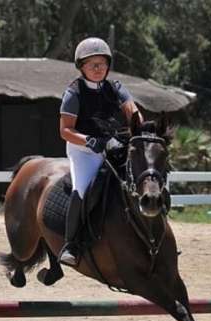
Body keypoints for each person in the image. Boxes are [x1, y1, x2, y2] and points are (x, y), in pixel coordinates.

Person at [58, 37, 143, 266]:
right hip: (83, 150)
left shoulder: (116, 88)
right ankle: (71, 245)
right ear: (81, 67)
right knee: (82, 190)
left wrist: (139, 126)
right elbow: (65, 131)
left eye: (102, 64)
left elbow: (133, 112)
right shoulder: (73, 93)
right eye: (92, 65)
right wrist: (91, 141)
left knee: (144, 177)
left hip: (114, 146)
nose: (98, 69)